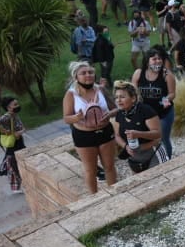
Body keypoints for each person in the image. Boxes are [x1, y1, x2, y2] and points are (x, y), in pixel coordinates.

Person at [62, 61, 117, 193]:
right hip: (84, 136)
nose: (88, 75)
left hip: (105, 132)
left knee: (109, 166)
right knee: (90, 170)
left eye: (90, 72)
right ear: (76, 77)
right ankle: (94, 198)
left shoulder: (101, 89)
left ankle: (116, 194)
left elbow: (115, 108)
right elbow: (66, 118)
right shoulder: (71, 94)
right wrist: (77, 117)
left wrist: (110, 113)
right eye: (83, 73)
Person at [112, 80, 169, 173]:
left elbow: (158, 134)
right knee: (143, 185)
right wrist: (125, 146)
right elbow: (117, 135)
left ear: (133, 98)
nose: (118, 100)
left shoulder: (146, 110)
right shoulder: (119, 114)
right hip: (134, 157)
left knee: (162, 181)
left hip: (153, 153)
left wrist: (138, 134)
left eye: (122, 97)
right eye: (116, 97)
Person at [131, 48, 176, 159]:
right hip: (145, 115)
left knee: (163, 138)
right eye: (154, 59)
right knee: (147, 138)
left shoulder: (167, 75)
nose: (157, 61)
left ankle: (168, 161)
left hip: (163, 114)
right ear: (147, 61)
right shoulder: (138, 73)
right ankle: (151, 159)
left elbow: (172, 93)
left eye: (159, 59)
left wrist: (165, 100)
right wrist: (137, 97)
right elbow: (133, 90)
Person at [0, 97, 26, 194]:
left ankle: (20, 184)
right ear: (8, 107)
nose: (17, 106)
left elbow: (19, 126)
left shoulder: (14, 114)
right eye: (15, 105)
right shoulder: (7, 116)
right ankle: (16, 187)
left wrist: (22, 130)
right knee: (13, 163)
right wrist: (6, 132)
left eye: (17, 103)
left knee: (18, 161)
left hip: (18, 142)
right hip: (13, 144)